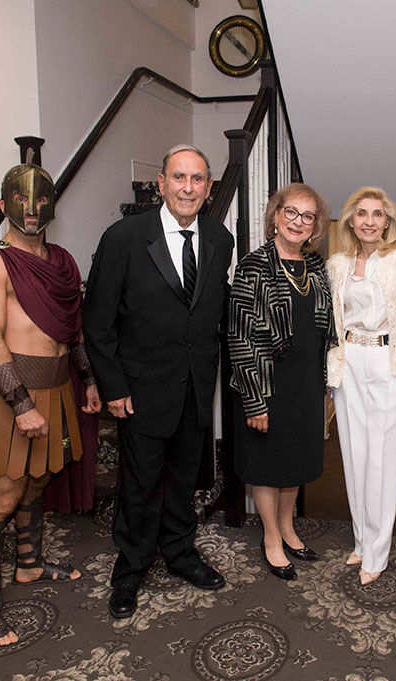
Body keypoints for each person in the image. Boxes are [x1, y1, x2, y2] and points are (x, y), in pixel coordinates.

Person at [83, 144, 235, 619]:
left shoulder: (220, 238)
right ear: (162, 183)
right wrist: (112, 386)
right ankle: (129, 570)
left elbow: (211, 309)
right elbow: (98, 322)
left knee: (184, 479)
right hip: (140, 389)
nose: (188, 188)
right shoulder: (124, 237)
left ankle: (180, 553)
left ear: (208, 188)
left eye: (197, 179)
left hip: (195, 386)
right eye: (179, 178)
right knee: (140, 484)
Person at [0, 159, 101, 647]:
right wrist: (20, 405)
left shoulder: (62, 261)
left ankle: (29, 564)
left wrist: (88, 380)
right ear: (4, 206)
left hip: (60, 388)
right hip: (15, 393)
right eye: (21, 200)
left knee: (39, 477)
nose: (32, 210)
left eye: (41, 199)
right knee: (2, 494)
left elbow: (72, 330)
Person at [227, 183, 334, 581]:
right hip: (267, 382)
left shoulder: (316, 266)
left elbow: (328, 325)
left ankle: (289, 528)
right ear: (275, 215)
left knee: (296, 461)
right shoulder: (253, 266)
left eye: (307, 216)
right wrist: (254, 400)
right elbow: (239, 336)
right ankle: (271, 536)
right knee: (268, 464)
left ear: (315, 226)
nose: (298, 222)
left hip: (306, 382)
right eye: (291, 212)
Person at [325, 186, 396, 586]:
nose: (369, 221)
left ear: (388, 221)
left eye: (377, 214)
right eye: (361, 213)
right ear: (350, 220)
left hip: (389, 361)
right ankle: (362, 540)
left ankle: (378, 551)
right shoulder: (337, 264)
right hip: (349, 361)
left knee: (383, 458)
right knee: (354, 454)